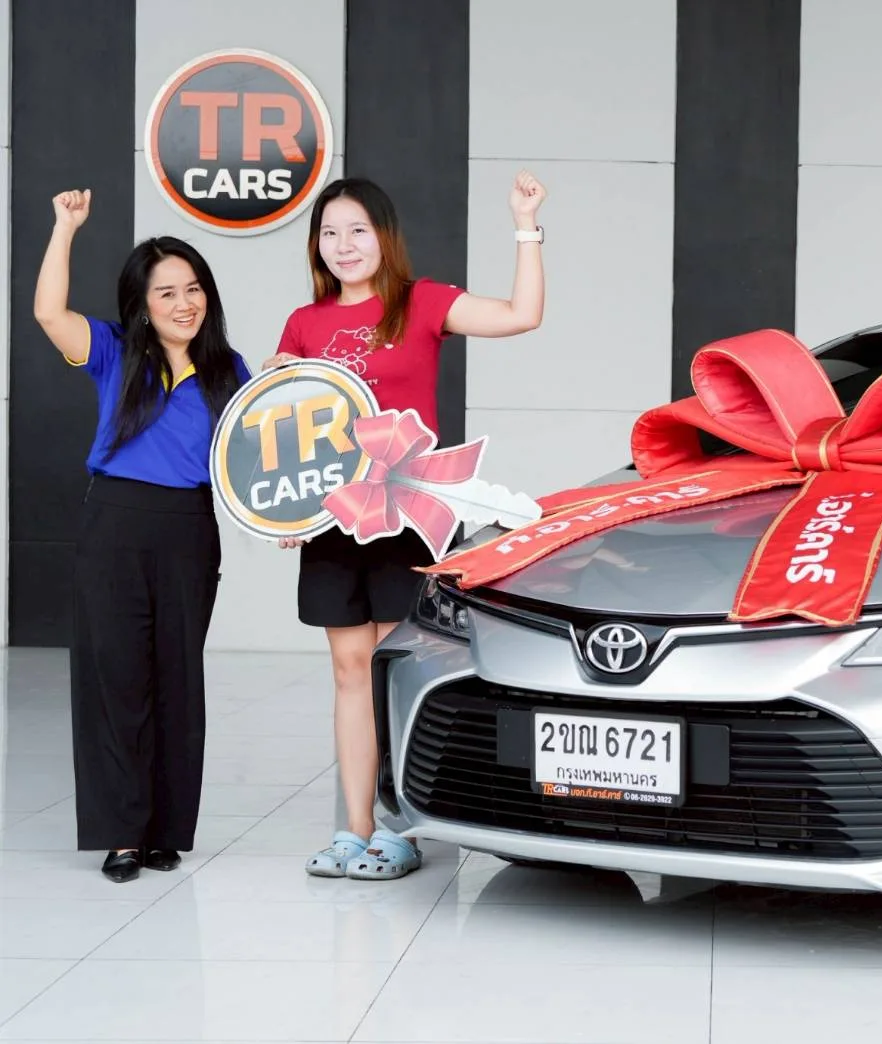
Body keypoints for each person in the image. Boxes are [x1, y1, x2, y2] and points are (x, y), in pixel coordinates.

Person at [263, 172, 546, 880]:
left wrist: (525, 224)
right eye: (330, 233)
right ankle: (352, 828)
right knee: (348, 670)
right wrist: (284, 507)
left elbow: (522, 316)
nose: (343, 245)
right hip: (333, 521)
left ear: (384, 237)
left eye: (357, 230)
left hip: (406, 513)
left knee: (396, 671)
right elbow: (286, 432)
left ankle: (400, 831)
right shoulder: (304, 323)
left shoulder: (422, 303)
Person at [34, 189, 250, 883]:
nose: (184, 303)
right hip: (115, 525)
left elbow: (252, 464)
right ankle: (121, 833)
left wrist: (286, 520)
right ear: (142, 302)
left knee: (177, 681)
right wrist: (65, 228)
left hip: (190, 530)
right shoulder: (114, 351)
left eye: (194, 289)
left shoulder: (230, 371)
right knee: (117, 677)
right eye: (167, 292)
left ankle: (165, 831)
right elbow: (48, 313)